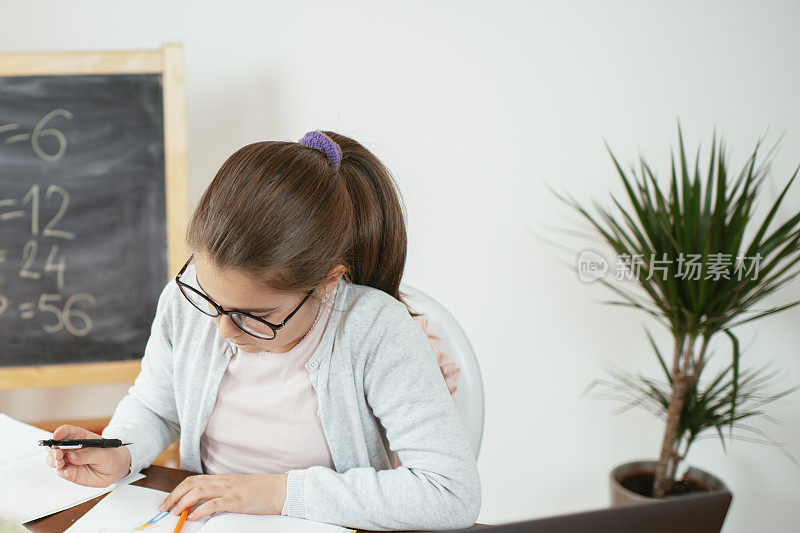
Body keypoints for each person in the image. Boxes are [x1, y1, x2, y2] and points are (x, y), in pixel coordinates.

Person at [44, 130, 481, 530]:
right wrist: (122, 452)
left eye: (255, 315)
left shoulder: (375, 331)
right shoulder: (184, 302)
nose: (223, 330)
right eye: (210, 299)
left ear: (328, 281)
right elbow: (157, 406)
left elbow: (450, 493)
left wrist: (274, 493)